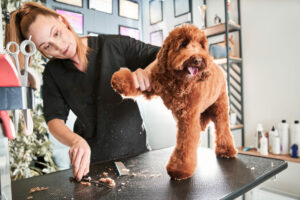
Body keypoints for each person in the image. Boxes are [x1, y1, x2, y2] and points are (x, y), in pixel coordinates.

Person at [5, 2, 159, 181]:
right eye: (47, 46)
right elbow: (54, 119)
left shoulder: (112, 45)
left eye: (56, 33)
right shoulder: (53, 73)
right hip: (93, 163)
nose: (59, 46)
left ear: (61, 20)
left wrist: (147, 72)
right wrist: (76, 141)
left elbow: (165, 55)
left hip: (137, 153)